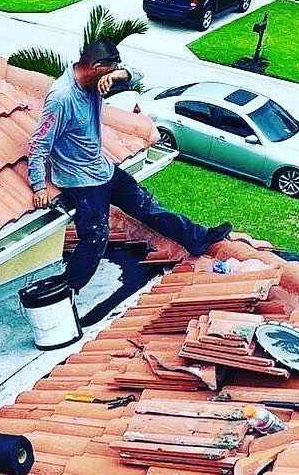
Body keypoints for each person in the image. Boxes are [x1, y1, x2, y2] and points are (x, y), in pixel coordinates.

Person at [28, 38, 233, 293]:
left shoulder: (96, 80)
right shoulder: (62, 97)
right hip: (79, 180)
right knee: (95, 236)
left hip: (102, 169)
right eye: (109, 70)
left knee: (146, 205)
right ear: (95, 66)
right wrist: (38, 186)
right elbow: (38, 143)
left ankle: (198, 239)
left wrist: (116, 76)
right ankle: (68, 289)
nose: (112, 76)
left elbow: (136, 75)